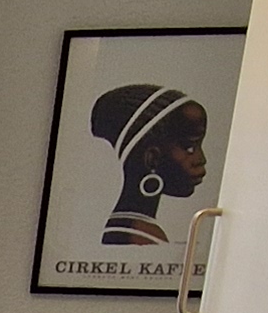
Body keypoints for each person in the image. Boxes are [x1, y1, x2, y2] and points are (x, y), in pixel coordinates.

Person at [90, 83, 210, 245]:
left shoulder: (126, 228)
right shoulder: (140, 237)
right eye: (189, 147)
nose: (201, 159)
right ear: (152, 158)